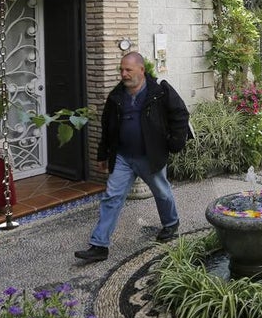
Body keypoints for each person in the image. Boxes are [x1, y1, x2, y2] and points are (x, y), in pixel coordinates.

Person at [75, 52, 190, 262]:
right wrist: (102, 154)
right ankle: (99, 245)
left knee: (162, 193)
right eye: (121, 70)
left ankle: (171, 223)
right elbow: (107, 127)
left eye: (128, 70)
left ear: (141, 70)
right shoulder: (116, 96)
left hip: (149, 155)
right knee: (112, 197)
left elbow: (180, 113)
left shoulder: (159, 90)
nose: (124, 74)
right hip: (123, 157)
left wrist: (176, 142)